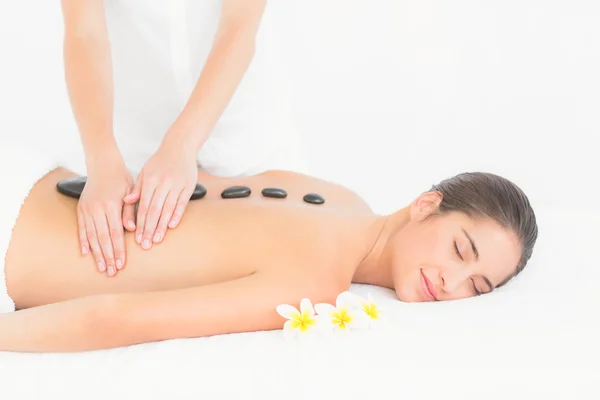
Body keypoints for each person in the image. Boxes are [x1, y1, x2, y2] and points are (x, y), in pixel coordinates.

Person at [0, 162, 538, 353]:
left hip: (29, 171)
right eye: (461, 250)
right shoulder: (316, 281)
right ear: (426, 206)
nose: (452, 282)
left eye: (478, 286)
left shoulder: (340, 197)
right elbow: (116, 318)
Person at [60, 0, 306, 277]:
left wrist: (182, 143)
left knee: (287, 260)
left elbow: (238, 26)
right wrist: (101, 158)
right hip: (132, 150)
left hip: (246, 135)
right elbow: (84, 32)